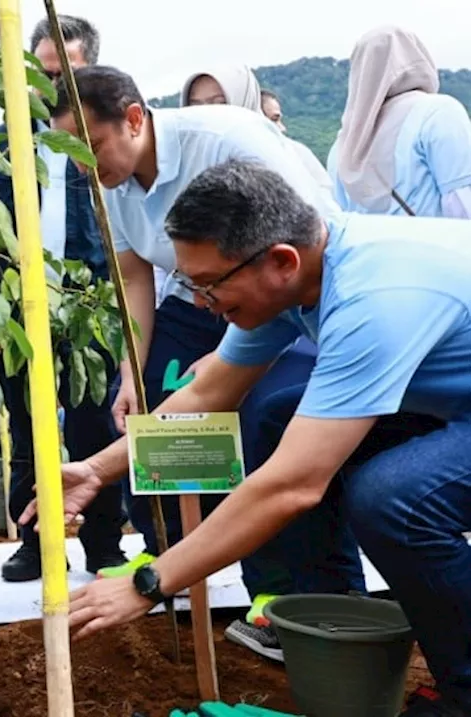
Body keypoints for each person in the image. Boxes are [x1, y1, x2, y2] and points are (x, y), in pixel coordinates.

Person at [55, 158, 472, 717]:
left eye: (208, 285)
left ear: (279, 261)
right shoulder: (303, 277)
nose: (201, 303)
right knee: (279, 416)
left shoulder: (374, 297)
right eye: (191, 283)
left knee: (396, 498)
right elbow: (208, 395)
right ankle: (334, 612)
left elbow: (291, 486)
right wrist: (97, 469)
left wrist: (150, 583)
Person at [47, 67, 364, 650]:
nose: (83, 167)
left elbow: (299, 250)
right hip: (217, 309)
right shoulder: (111, 186)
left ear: (135, 118)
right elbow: (136, 280)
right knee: (165, 416)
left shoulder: (226, 142)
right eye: (71, 155)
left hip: (300, 308)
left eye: (90, 147)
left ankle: (298, 594)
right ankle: (174, 553)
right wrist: (128, 375)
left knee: (271, 427)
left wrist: (229, 353)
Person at [0, 13, 128, 582]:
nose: (53, 91)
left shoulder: (103, 143)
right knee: (27, 427)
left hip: (90, 305)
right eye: (42, 76)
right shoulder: (3, 145)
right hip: (21, 305)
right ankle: (34, 543)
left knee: (95, 425)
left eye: (66, 75)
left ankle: (103, 543)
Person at [328, 25, 472, 219]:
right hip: (432, 247)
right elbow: (462, 200)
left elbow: (339, 218)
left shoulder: (343, 145)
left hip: (370, 249)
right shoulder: (438, 112)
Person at [180, 65, 332, 194]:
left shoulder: (291, 157)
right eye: (196, 106)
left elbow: (323, 217)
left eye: (219, 103)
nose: (206, 113)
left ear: (245, 101)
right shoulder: (181, 168)